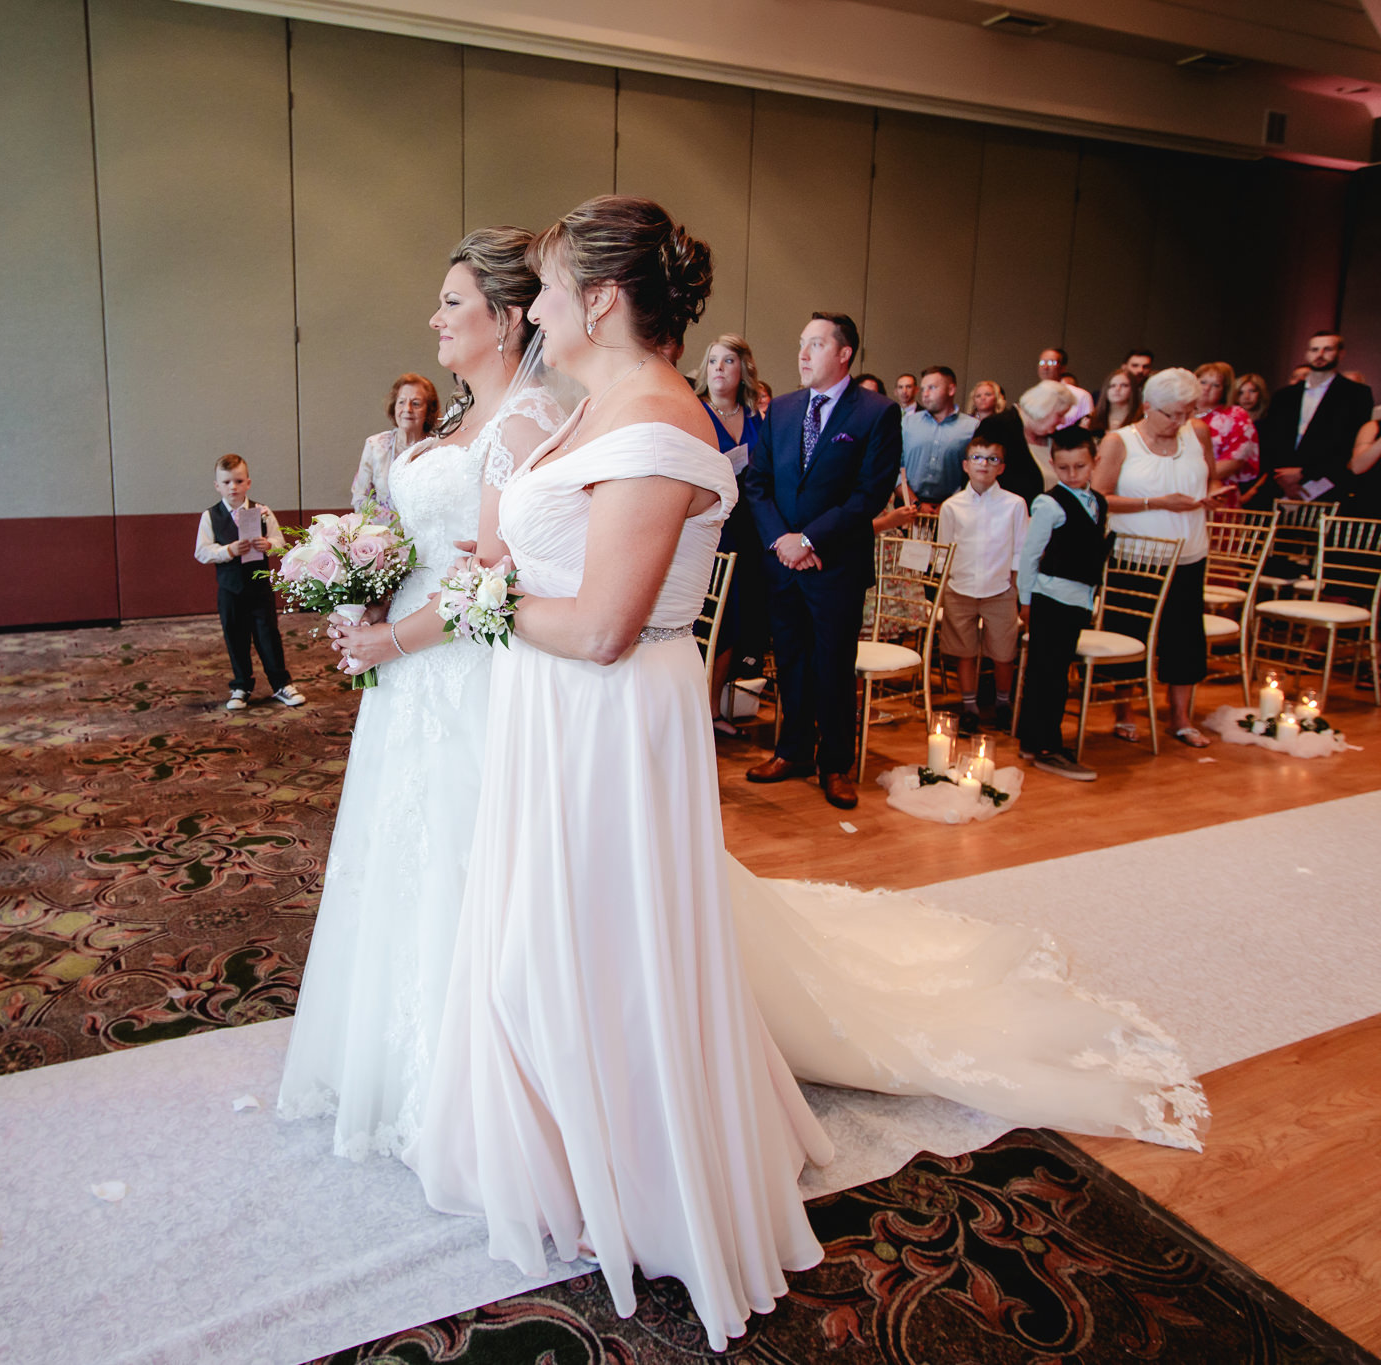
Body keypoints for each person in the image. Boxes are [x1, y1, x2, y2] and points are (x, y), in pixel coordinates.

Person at [400, 196, 1206, 1350]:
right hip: (550, 710)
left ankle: (635, 1163)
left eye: (548, 284)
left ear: (602, 298)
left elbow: (598, 629)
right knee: (544, 929)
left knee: (601, 937)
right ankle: (562, 1136)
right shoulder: (591, 409)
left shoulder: (653, 422)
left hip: (604, 716)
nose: (535, 308)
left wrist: (482, 598)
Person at [278, 227, 562, 1160]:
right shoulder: (452, 425)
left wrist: (385, 638)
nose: (432, 319)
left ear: (508, 319)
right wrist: (360, 586)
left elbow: (490, 582)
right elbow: (419, 542)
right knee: (399, 854)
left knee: (457, 856)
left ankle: (465, 1076)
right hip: (406, 668)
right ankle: (390, 1057)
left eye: (451, 304)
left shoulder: (524, 425)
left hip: (461, 672)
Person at [743, 313, 903, 808]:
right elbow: (757, 482)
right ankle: (792, 751)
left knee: (833, 665)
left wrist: (809, 540)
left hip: (834, 564)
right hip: (783, 564)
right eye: (800, 344)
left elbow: (869, 494)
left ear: (844, 353)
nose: (803, 354)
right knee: (789, 659)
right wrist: (781, 542)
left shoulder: (876, 412)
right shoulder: (784, 409)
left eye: (815, 344)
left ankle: (836, 764)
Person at [1095, 368, 1221, 748]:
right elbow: (1099, 498)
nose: (1181, 421)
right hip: (1136, 557)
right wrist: (1156, 502)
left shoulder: (1197, 433)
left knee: (1184, 635)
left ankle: (1179, 716)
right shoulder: (1120, 442)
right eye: (1173, 414)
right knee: (1129, 633)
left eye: (1188, 411)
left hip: (1190, 552)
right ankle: (1125, 710)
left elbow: (1210, 477)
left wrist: (1213, 493)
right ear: (1148, 407)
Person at [1016, 428, 1107, 780]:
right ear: (1053, 465)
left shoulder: (1098, 501)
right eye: (1064, 468)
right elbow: (1029, 556)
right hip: (1049, 598)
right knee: (1048, 676)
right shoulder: (1049, 503)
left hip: (1076, 599)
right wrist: (1025, 601)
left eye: (1080, 466)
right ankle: (1045, 747)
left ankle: (1032, 740)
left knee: (1054, 671)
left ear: (1094, 463)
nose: (1072, 475)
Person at [194, 455, 303, 711]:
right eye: (227, 481)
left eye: (238, 481)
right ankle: (241, 686)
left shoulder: (262, 511)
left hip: (259, 588)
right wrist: (229, 550)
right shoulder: (210, 516)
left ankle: (280, 684)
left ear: (248, 483)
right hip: (230, 590)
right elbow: (201, 552)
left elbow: (280, 542)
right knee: (235, 636)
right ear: (217, 485)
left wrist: (268, 545)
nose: (233, 486)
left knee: (268, 635)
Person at [937, 436, 1028, 734]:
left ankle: (1003, 703)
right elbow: (943, 550)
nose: (984, 464)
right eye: (977, 457)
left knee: (1003, 652)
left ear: (1001, 468)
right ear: (965, 465)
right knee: (965, 651)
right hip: (959, 588)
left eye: (992, 459)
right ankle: (970, 706)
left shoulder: (1014, 504)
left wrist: (1015, 590)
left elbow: (1019, 551)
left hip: (999, 589)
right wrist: (941, 588)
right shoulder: (952, 506)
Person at [697, 334, 769, 710]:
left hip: (752, 531)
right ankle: (701, 711)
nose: (719, 369)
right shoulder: (696, 412)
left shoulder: (759, 417)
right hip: (712, 528)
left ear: (743, 369)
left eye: (728, 361)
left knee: (741, 618)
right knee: (713, 621)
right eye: (712, 362)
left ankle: (718, 706)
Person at [1255, 331, 1376, 506]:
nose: (1319, 355)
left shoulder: (1356, 394)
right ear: (1307, 353)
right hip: (1279, 483)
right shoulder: (1285, 395)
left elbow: (1349, 442)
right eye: (1314, 349)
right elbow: (1272, 439)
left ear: (1340, 354)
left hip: (1327, 484)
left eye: (1327, 349)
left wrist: (1305, 473)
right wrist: (1282, 477)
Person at [351, 373, 439, 509]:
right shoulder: (374, 445)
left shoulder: (438, 449)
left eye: (416, 403)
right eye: (401, 402)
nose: (407, 409)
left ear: (429, 410)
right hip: (383, 528)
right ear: (394, 406)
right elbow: (360, 497)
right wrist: (393, 524)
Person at [977, 380, 1075, 503]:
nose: (1063, 421)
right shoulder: (997, 427)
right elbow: (981, 481)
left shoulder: (1053, 437)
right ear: (1043, 409)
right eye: (1060, 415)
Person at [898, 364, 977, 505]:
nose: (925, 394)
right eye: (923, 389)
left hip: (955, 508)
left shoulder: (971, 427)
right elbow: (894, 468)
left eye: (932, 388)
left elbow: (975, 474)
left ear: (951, 389)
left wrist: (948, 506)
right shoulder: (907, 423)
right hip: (909, 508)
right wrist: (916, 504)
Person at [1192, 361, 1259, 507]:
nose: (1207, 388)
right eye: (1202, 382)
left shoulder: (1236, 415)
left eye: (1216, 385)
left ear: (1225, 390)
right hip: (1178, 492)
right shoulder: (1179, 412)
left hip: (1218, 493)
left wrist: (1191, 476)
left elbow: (1235, 460)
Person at [1037, 346, 1093, 427]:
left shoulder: (1081, 395)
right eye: (1042, 362)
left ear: (1062, 368)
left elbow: (1087, 428)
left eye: (1051, 362)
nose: (1045, 367)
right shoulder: (1031, 396)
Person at [1090, 366, 1142, 439]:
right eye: (1112, 386)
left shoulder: (1142, 417)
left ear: (1133, 390)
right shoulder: (1093, 417)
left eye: (1124, 385)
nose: (1117, 389)